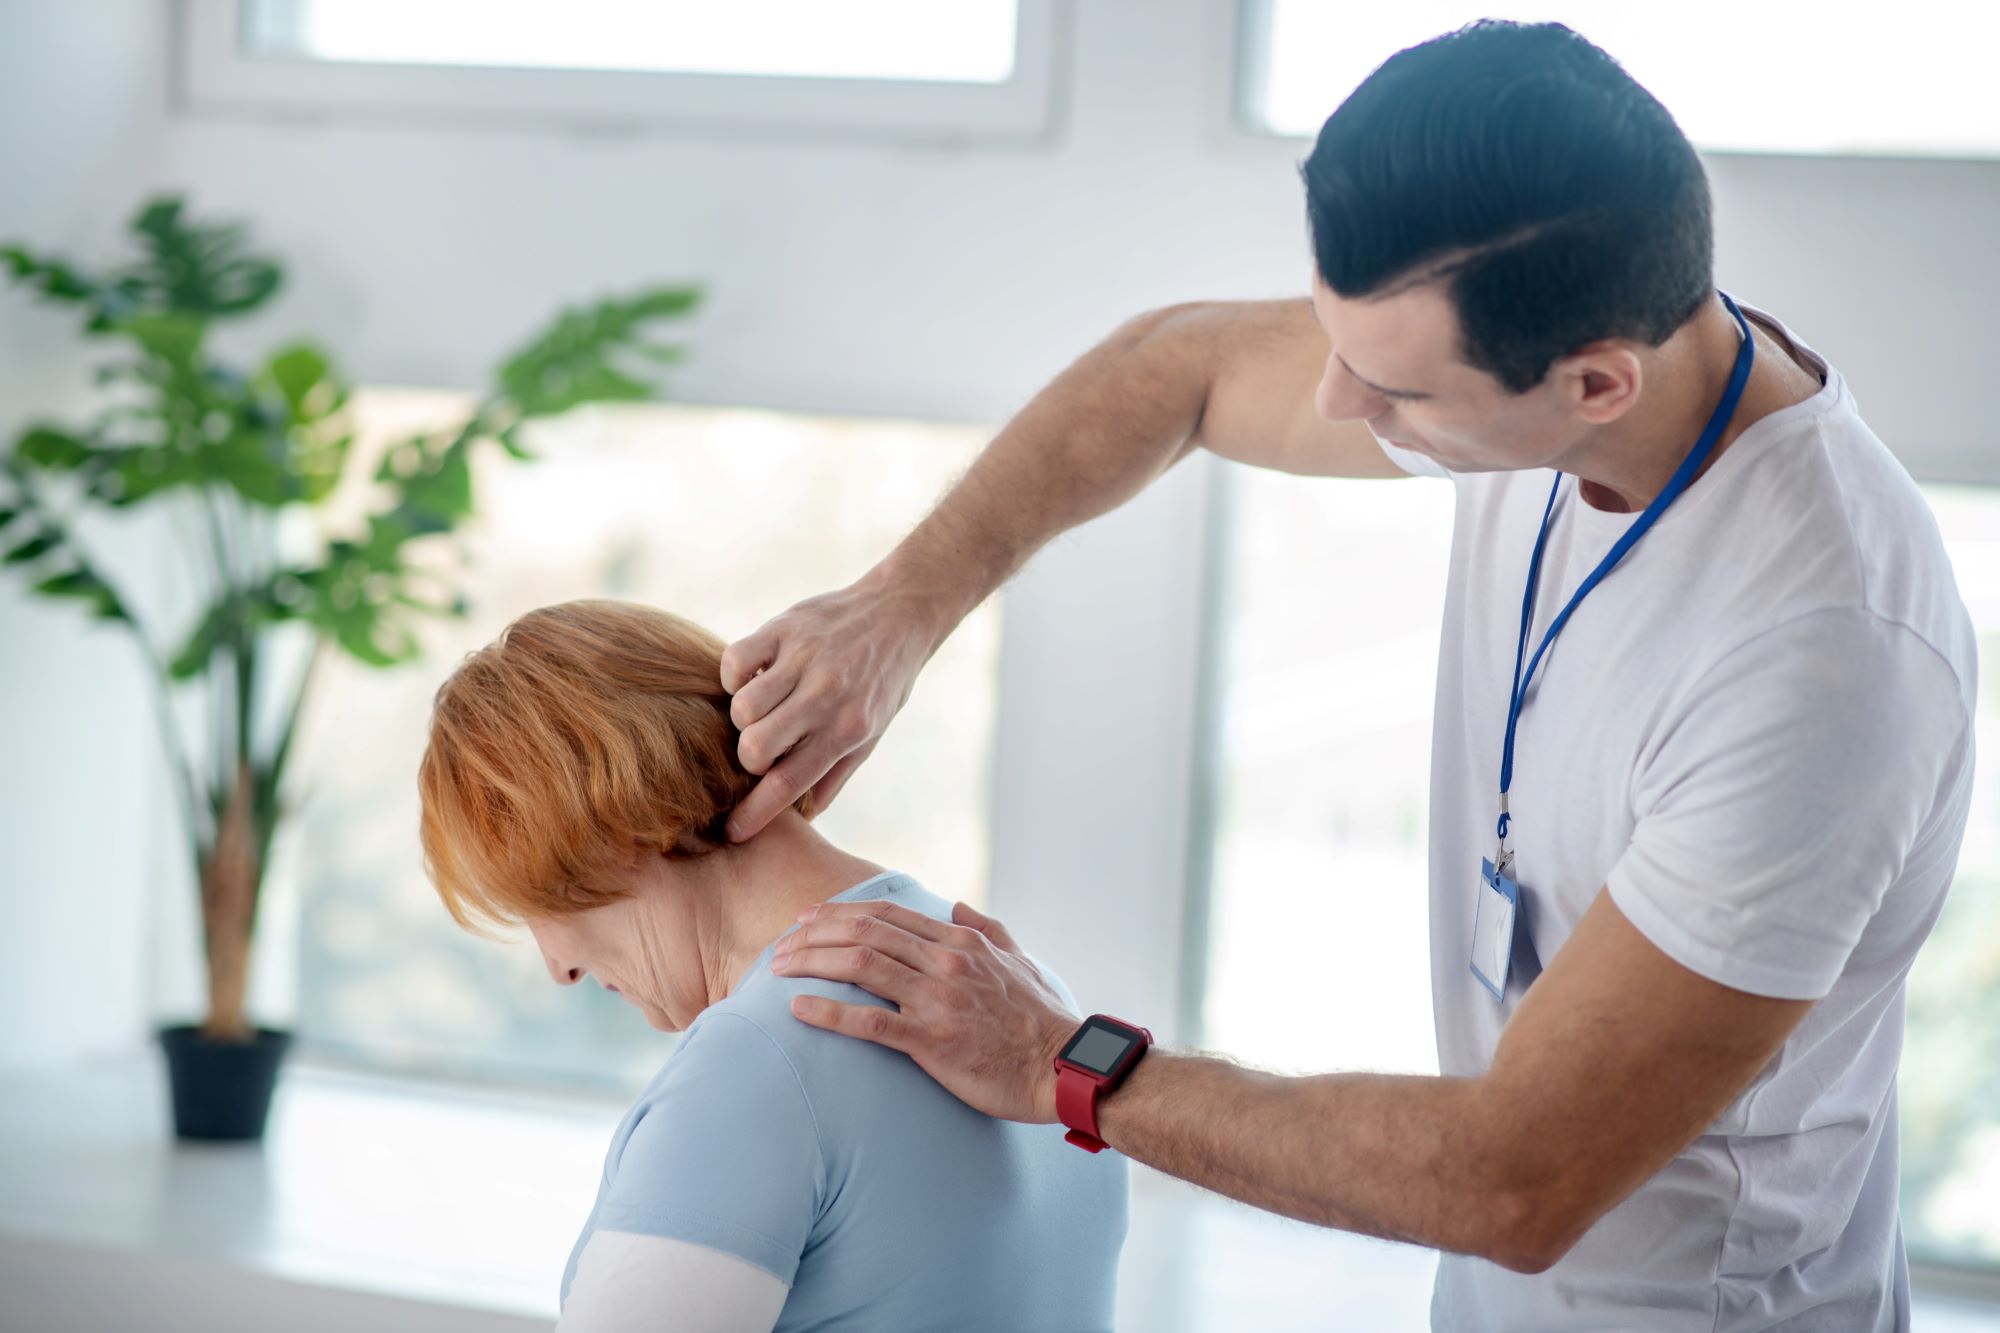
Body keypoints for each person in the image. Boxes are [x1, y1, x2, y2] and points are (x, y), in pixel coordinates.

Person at [718, 21, 1977, 1332]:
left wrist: (1062, 1063)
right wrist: (895, 610)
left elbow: (1515, 1179)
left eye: (1389, 389)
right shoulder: (1581, 379)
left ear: (1597, 380)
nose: (1332, 404)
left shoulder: (1825, 660)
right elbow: (1181, 368)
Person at [417, 599, 1128, 1333]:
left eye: (540, 904)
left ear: (605, 823)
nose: (557, 965)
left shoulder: (756, 1064)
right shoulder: (1022, 994)